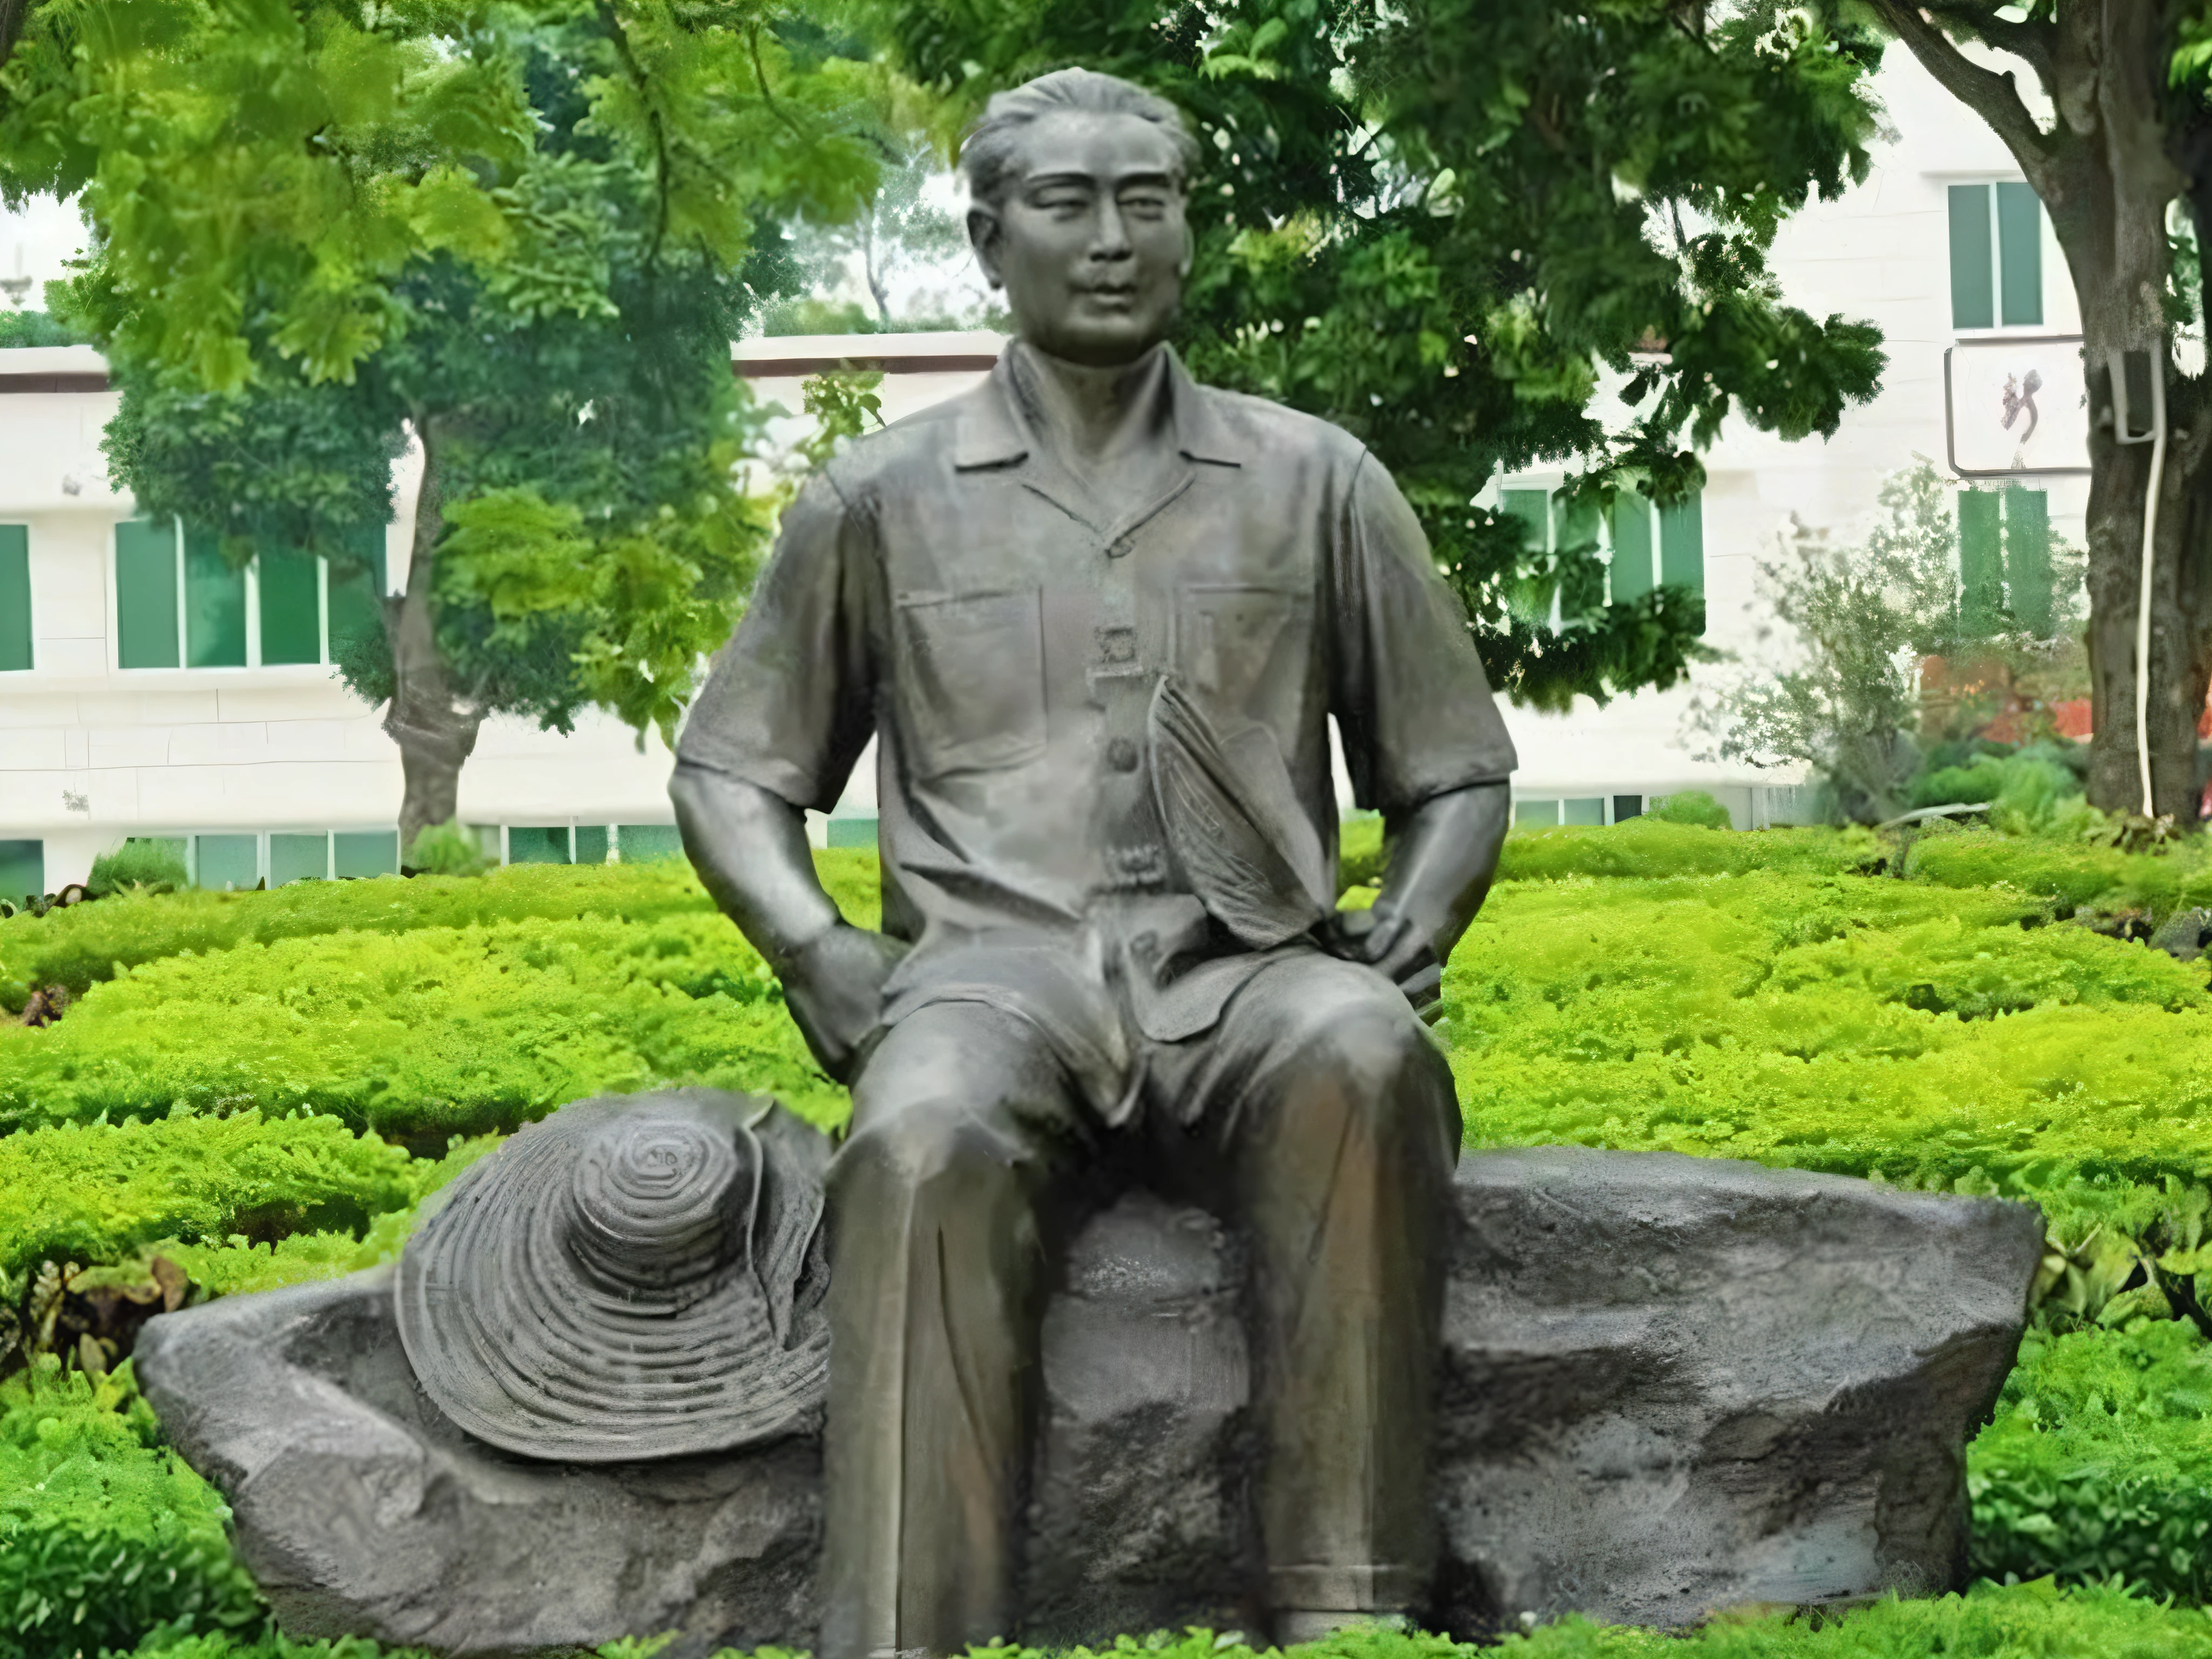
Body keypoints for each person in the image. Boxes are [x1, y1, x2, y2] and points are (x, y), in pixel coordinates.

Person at [671, 66, 1516, 1659]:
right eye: (1068, 204)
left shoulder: (1316, 480)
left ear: (1190, 230)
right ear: (993, 238)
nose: (1114, 238)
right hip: (992, 984)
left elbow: (1455, 766)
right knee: (917, 1145)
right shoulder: (879, 495)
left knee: (1366, 1057)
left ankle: (1352, 1616)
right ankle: (912, 1635)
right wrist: (815, 948)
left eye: (1150, 200)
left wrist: (1418, 912)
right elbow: (732, 768)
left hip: (1246, 975)